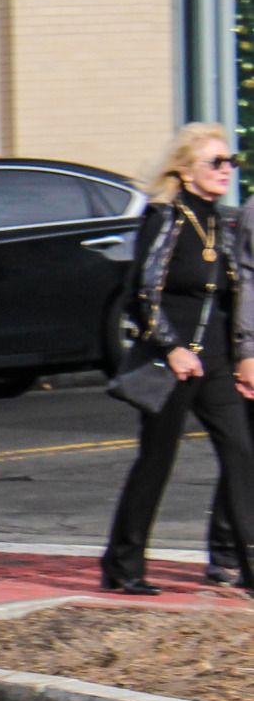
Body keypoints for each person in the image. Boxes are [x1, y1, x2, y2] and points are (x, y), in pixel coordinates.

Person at [101, 124, 254, 594]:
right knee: (156, 462)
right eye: (215, 162)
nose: (227, 170)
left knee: (243, 454)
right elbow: (142, 295)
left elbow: (231, 296)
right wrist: (172, 346)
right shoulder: (165, 217)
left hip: (217, 363)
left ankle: (248, 566)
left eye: (231, 162)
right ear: (186, 172)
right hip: (174, 361)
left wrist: (244, 356)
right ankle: (123, 565)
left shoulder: (219, 222)